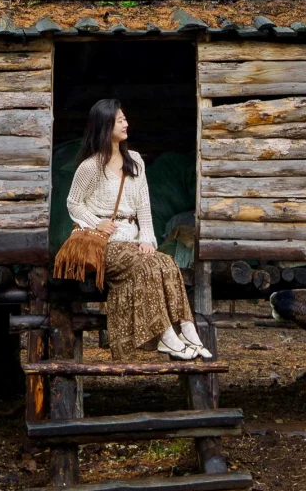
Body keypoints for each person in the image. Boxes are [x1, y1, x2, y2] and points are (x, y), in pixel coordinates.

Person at [65, 98, 212, 362]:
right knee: (146, 267)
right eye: (120, 119)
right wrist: (95, 221)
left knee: (166, 264)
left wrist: (147, 239)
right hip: (105, 245)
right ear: (105, 125)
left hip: (131, 241)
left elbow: (144, 204)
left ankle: (189, 333)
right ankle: (167, 338)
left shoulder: (135, 161)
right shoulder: (90, 167)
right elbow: (73, 202)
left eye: (124, 118)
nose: (126, 123)